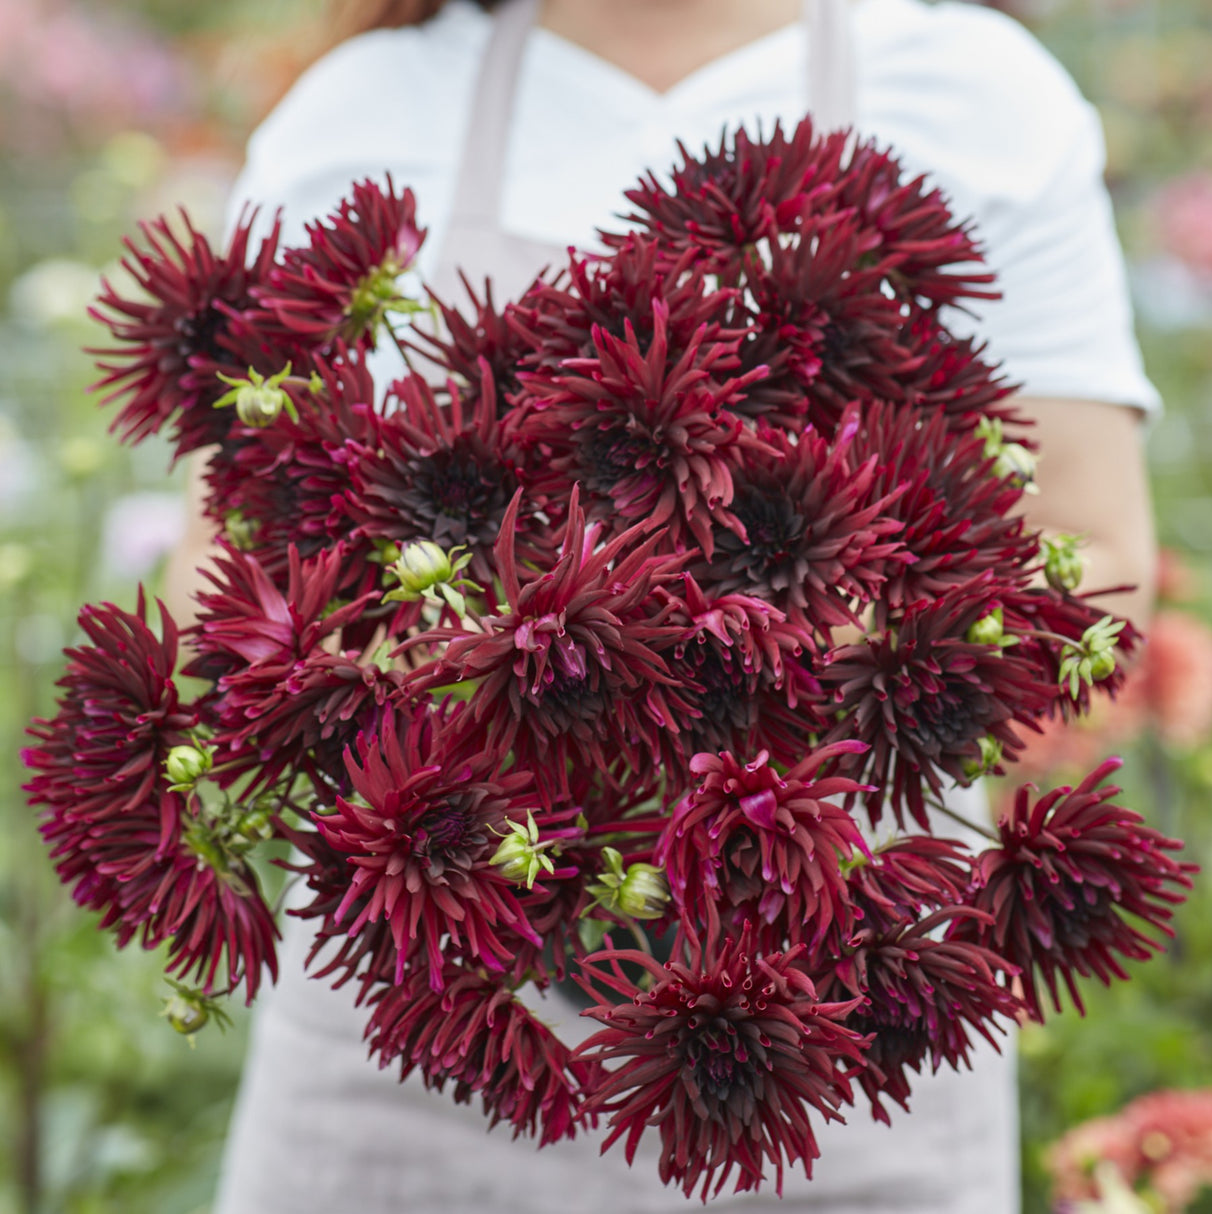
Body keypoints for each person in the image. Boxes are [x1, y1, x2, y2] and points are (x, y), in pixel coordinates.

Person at [202, 0, 1160, 1210]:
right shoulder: (361, 107)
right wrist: (445, 666)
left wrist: (799, 651)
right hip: (419, 993)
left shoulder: (972, 92)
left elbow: (1098, 557)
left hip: (839, 1020)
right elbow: (227, 562)